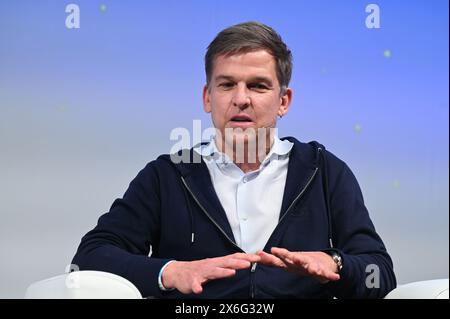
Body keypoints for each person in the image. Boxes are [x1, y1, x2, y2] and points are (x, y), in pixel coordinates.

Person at [72, 21, 396, 298]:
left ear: (284, 101)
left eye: (257, 86)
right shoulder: (166, 175)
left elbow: (379, 274)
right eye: (227, 85)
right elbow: (90, 258)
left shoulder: (324, 171)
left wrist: (335, 263)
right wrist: (171, 272)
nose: (241, 99)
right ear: (207, 97)